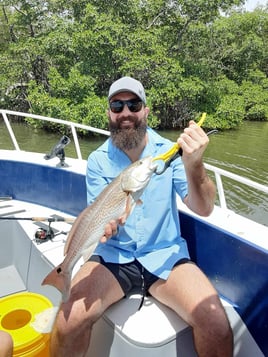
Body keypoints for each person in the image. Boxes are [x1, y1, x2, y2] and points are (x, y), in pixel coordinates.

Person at [50, 76, 233, 356]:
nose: (126, 113)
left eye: (134, 105)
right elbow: (96, 215)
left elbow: (204, 207)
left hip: (165, 255)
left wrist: (194, 165)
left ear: (146, 110)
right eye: (117, 105)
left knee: (217, 325)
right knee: (67, 322)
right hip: (113, 257)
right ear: (109, 113)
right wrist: (104, 229)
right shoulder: (99, 160)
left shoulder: (169, 154)